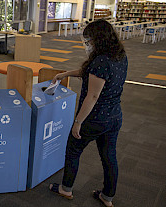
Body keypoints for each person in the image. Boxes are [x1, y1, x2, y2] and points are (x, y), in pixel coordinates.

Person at [48, 19, 128, 207]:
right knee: (109, 156)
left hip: (94, 119)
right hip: (114, 117)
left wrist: (78, 122)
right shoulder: (119, 55)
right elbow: (90, 72)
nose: (87, 44)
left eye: (88, 41)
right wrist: (66, 73)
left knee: (73, 151)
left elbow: (92, 96)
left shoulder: (101, 61)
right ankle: (107, 197)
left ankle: (65, 189)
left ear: (97, 40)